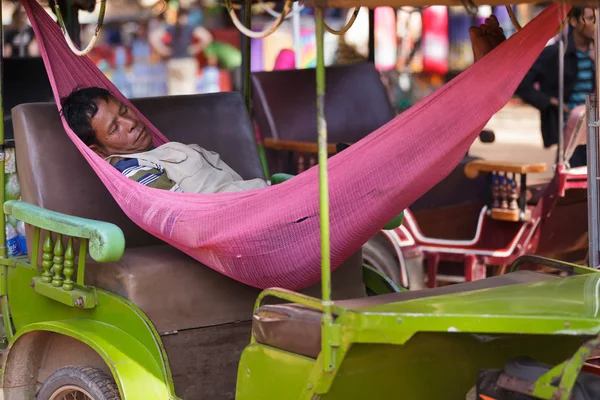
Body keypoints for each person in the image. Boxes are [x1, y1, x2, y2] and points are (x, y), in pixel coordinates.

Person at [59, 16, 505, 194]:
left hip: (263, 201)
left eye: (123, 112)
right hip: (243, 217)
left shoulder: (157, 150)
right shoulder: (128, 172)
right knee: (363, 173)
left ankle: (472, 97)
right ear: (99, 149)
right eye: (114, 128)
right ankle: (471, 98)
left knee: (370, 168)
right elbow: (172, 206)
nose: (129, 124)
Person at [515, 7, 596, 168]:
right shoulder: (554, 53)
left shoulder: (595, 54)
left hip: (594, 132)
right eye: (590, 18)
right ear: (573, 21)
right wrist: (550, 101)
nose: (595, 23)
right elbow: (521, 84)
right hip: (570, 135)